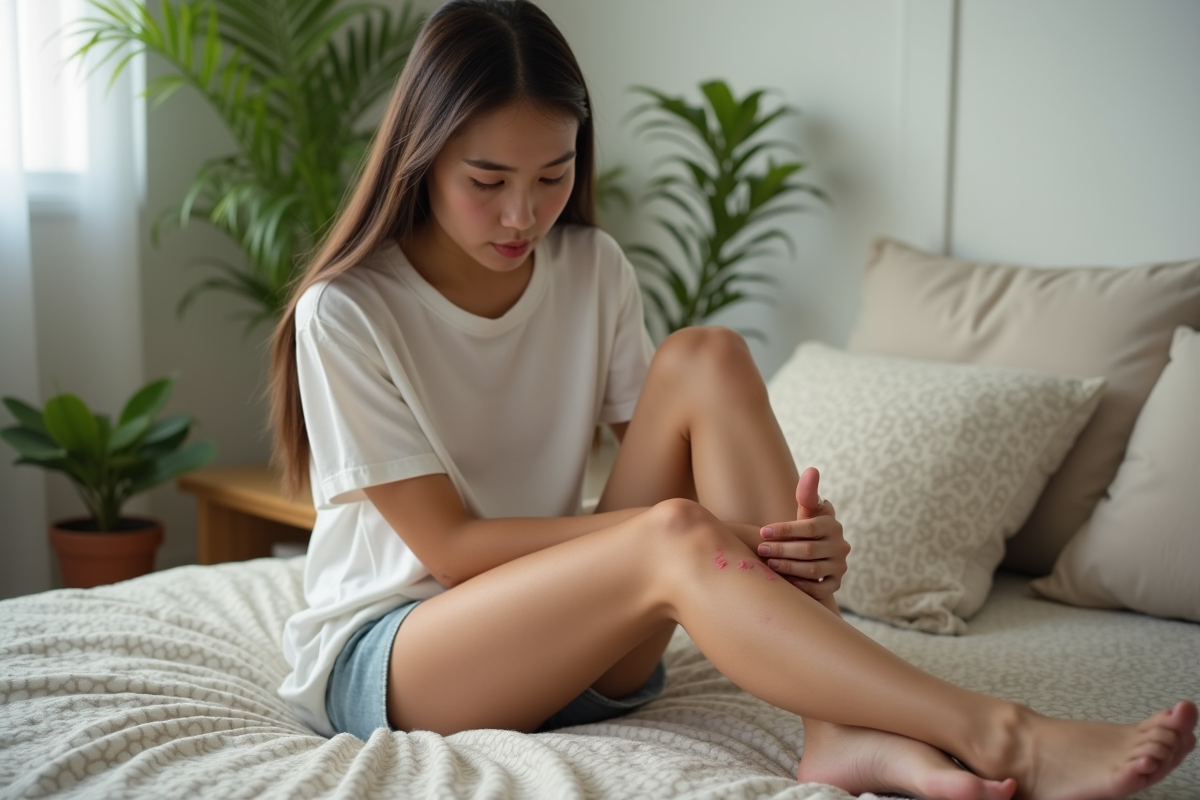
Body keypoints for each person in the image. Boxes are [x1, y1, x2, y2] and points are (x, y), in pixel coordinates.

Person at [268, 1, 1197, 797]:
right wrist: (699, 534)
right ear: (422, 160)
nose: (524, 215)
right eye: (488, 183)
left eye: (552, 176)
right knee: (673, 535)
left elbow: (680, 465)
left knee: (705, 355)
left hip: (581, 647)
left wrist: (785, 547)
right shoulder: (347, 310)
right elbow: (454, 549)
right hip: (403, 656)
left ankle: (832, 724)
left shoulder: (590, 268)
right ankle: (1008, 734)